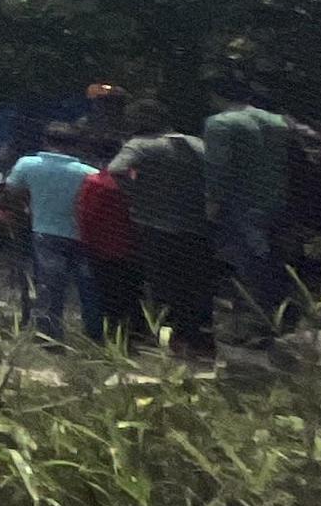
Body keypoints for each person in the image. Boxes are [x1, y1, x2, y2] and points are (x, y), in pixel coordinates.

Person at [109, 124, 217, 358]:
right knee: (193, 284)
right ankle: (196, 336)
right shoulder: (198, 144)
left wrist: (135, 192)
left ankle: (165, 335)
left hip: (155, 227)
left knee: (161, 284)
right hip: (196, 227)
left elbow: (116, 169)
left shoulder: (141, 145)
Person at [204, 96, 300, 329]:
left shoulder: (220, 123)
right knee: (275, 257)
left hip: (240, 201)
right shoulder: (278, 121)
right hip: (275, 199)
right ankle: (285, 312)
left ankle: (257, 321)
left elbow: (217, 166)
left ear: (217, 95)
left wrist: (212, 202)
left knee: (248, 261)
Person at [2, 129, 100, 342]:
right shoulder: (89, 173)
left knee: (49, 286)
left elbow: (12, 191)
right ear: (76, 145)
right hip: (81, 234)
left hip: (45, 231)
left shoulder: (27, 164)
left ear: (46, 141)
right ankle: (95, 333)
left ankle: (48, 335)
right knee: (88, 286)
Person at [76, 161, 142, 344]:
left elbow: (85, 216)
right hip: (129, 248)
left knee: (105, 295)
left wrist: (86, 242)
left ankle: (107, 337)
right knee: (127, 296)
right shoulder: (135, 184)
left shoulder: (95, 182)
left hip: (100, 248)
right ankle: (127, 337)